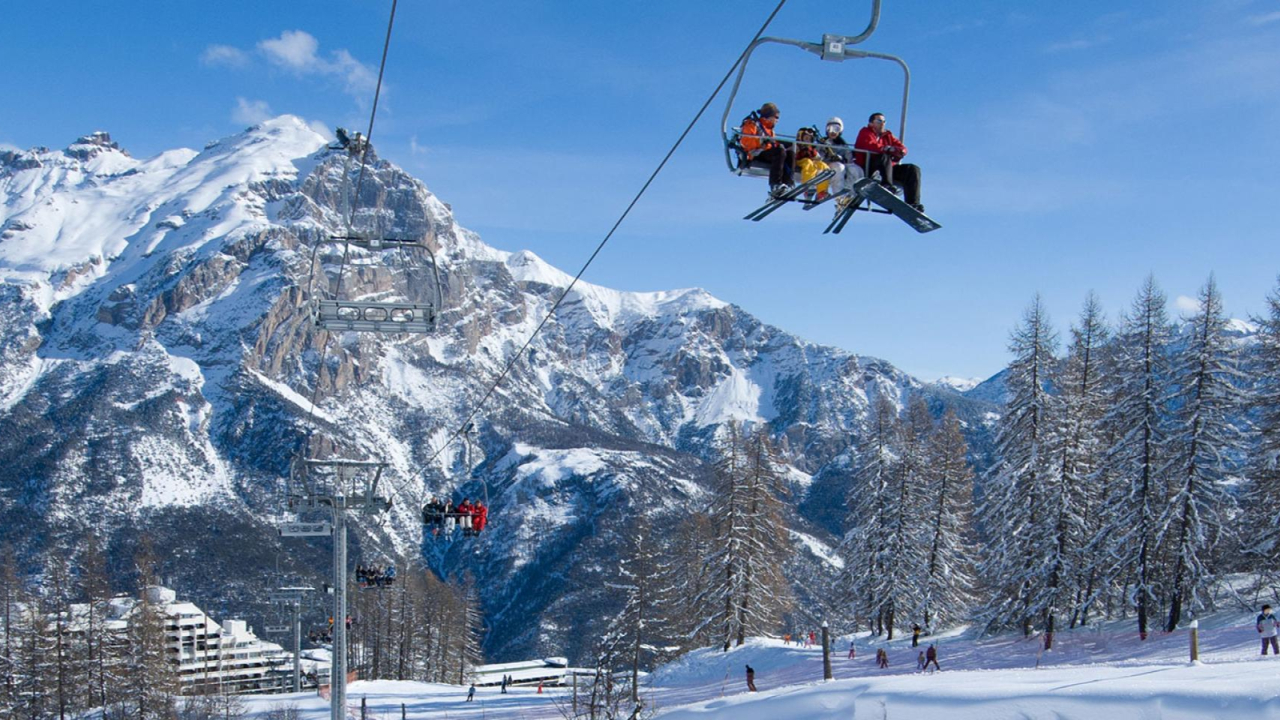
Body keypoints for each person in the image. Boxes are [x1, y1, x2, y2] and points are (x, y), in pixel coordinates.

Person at [854, 112, 924, 213]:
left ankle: (913, 203)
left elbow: (902, 148)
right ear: (871, 123)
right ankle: (886, 185)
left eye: (884, 121)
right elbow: (869, 145)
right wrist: (886, 149)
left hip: (887, 168)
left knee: (912, 169)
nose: (882, 123)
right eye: (879, 121)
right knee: (883, 157)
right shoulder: (865, 132)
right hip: (870, 166)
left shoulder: (888, 135)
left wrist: (899, 151)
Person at [739, 102, 796, 199]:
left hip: (768, 153)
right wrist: (762, 142)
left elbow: (773, 144)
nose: (777, 120)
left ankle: (788, 183)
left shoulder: (770, 129)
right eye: (776, 117)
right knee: (779, 151)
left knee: (789, 152)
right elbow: (746, 142)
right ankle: (775, 184)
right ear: (769, 116)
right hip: (755, 154)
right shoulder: (752, 124)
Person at [818, 116, 866, 213]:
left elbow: (849, 159)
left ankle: (852, 195)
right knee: (839, 167)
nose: (833, 132)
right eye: (830, 129)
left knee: (855, 169)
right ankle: (840, 198)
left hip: (841, 164)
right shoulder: (823, 143)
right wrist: (827, 156)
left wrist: (842, 158)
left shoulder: (842, 144)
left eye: (836, 129)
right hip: (827, 167)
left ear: (840, 131)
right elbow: (817, 157)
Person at [793, 127, 830, 201]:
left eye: (809, 139)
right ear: (800, 137)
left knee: (823, 165)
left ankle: (821, 191)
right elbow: (792, 154)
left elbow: (818, 157)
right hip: (799, 162)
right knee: (808, 163)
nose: (808, 140)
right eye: (806, 138)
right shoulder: (797, 145)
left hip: (811, 162)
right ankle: (807, 187)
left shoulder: (811, 148)